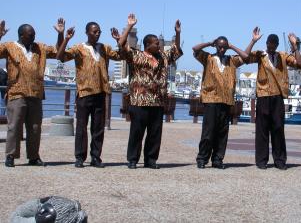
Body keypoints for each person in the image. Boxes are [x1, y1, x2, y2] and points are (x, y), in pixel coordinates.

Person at [116, 15, 183, 169]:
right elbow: (121, 44)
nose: (159, 46)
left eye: (159, 44)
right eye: (156, 43)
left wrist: (178, 33)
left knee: (155, 133)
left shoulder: (163, 58)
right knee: (136, 132)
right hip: (139, 101)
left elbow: (176, 50)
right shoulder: (136, 55)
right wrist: (129, 26)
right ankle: (132, 159)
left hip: (158, 101)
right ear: (147, 45)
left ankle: (150, 160)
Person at [57, 20, 122, 168]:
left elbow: (120, 56)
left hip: (100, 93)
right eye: (94, 31)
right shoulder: (79, 48)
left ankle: (96, 157)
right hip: (84, 93)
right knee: (81, 127)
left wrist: (119, 40)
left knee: (98, 128)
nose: (97, 33)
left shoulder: (104, 48)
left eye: (99, 31)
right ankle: (79, 157)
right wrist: (65, 38)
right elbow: (61, 57)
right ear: (87, 32)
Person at [0, 19, 64, 167]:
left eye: (34, 34)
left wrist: (60, 35)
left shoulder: (40, 47)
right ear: (22, 35)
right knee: (14, 126)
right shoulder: (9, 46)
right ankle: (11, 155)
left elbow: (58, 51)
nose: (33, 37)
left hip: (35, 93)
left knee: (35, 127)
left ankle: (33, 156)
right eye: (30, 35)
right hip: (17, 92)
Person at [244, 28, 301, 170]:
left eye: (274, 43)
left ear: (277, 44)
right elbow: (245, 57)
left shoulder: (282, 56)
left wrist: (295, 46)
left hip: (277, 96)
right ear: (266, 43)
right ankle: (262, 160)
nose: (272, 45)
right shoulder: (260, 55)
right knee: (262, 130)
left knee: (278, 129)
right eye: (270, 43)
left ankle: (280, 160)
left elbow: (299, 64)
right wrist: (253, 40)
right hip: (264, 95)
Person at [194, 36, 248, 169]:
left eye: (224, 47)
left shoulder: (232, 60)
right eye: (220, 46)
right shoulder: (208, 58)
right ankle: (202, 158)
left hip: (226, 100)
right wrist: (209, 43)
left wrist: (232, 46)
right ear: (216, 46)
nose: (222, 49)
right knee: (208, 131)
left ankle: (218, 159)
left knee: (222, 132)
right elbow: (195, 49)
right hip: (211, 99)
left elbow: (245, 56)